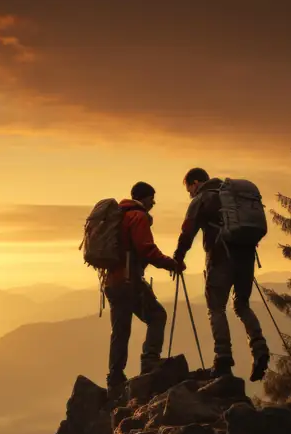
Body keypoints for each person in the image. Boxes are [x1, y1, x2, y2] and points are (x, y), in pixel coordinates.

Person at [173, 167, 270, 380]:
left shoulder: (202, 199)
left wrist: (178, 257)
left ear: (195, 183)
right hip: (246, 256)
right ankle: (259, 347)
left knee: (216, 308)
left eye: (189, 189)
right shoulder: (232, 198)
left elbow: (187, 231)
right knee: (242, 305)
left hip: (219, 258)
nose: (190, 194)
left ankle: (223, 358)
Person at [105, 181, 183, 404]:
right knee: (157, 316)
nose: (154, 203)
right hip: (130, 282)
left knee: (120, 331)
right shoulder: (137, 217)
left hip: (112, 282)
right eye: (152, 198)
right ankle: (150, 362)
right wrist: (171, 264)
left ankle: (115, 380)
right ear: (143, 198)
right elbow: (147, 250)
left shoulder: (118, 216)